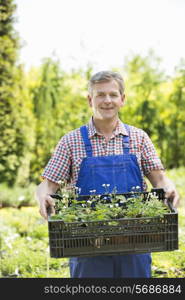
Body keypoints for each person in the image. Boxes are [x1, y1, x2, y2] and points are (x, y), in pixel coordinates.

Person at [36, 70, 179, 278]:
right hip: (84, 243)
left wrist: (169, 187)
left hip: (135, 240)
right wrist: (42, 195)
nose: (107, 100)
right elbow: (48, 185)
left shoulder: (139, 138)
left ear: (122, 99)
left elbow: (160, 179)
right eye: (100, 95)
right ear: (89, 100)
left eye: (113, 95)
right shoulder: (71, 141)